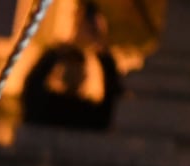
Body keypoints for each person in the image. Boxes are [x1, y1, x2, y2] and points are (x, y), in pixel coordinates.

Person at [20, 1, 122, 131]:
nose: (74, 71)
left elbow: (32, 83)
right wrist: (100, 46)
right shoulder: (89, 115)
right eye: (71, 65)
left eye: (76, 66)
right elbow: (113, 96)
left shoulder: (44, 106)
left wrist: (60, 50)